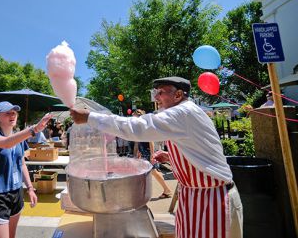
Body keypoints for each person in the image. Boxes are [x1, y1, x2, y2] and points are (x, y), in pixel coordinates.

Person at [70, 76, 243, 238]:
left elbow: (138, 126)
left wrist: (90, 117)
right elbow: (200, 150)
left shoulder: (183, 112)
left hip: (211, 201)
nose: (156, 98)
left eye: (161, 92)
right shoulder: (183, 113)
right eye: (155, 93)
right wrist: (171, 157)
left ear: (178, 94)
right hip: (193, 196)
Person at [0, 101, 51, 238]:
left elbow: (21, 163)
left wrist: (30, 188)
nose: (12, 115)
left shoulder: (19, 137)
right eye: (7, 113)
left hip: (16, 192)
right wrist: (34, 129)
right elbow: (6, 143)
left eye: (14, 112)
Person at [133, 109, 172, 199]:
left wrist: (151, 154)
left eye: (134, 116)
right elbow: (137, 142)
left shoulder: (144, 127)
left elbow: (151, 141)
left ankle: (167, 190)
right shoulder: (138, 128)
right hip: (142, 152)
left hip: (146, 152)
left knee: (153, 172)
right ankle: (142, 193)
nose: (133, 119)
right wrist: (136, 152)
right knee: (143, 173)